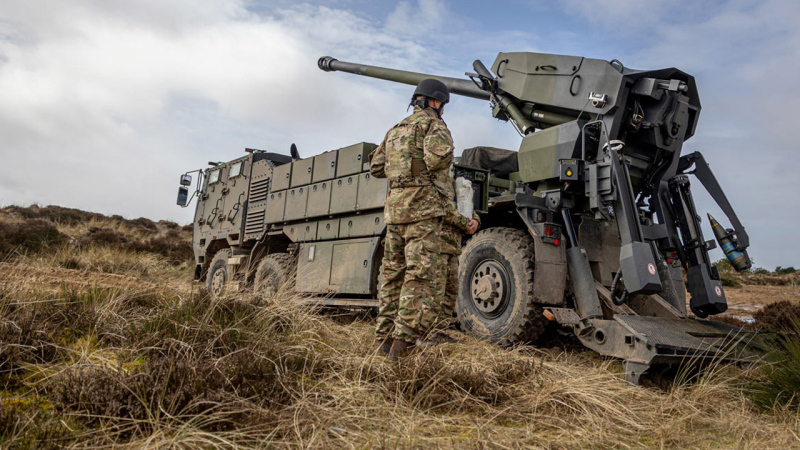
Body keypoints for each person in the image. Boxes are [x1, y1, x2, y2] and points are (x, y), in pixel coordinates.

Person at [369, 78, 456, 360]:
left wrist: (406, 166)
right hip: (422, 212)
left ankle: (383, 339)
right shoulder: (434, 125)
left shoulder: (395, 130)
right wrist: (419, 168)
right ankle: (402, 347)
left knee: (392, 275)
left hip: (394, 211)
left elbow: (377, 167)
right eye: (441, 104)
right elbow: (437, 161)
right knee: (419, 277)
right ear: (435, 102)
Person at [425, 178, 479, 345]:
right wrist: (464, 222)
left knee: (450, 292)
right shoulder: (433, 180)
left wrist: (475, 220)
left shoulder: (455, 182)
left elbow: (466, 205)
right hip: (437, 245)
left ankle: (439, 332)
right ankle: (427, 333)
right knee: (435, 292)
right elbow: (441, 208)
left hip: (453, 247)